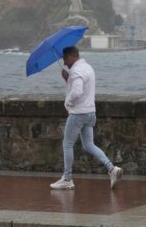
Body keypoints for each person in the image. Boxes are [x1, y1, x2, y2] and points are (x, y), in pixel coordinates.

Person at [50, 46, 123, 190]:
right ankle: (112, 169)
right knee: (89, 145)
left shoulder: (76, 71)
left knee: (68, 144)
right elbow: (82, 88)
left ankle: (67, 178)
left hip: (78, 113)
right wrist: (68, 79)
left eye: (65, 59)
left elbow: (77, 92)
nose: (64, 63)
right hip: (90, 112)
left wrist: (67, 103)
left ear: (71, 56)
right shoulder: (88, 67)